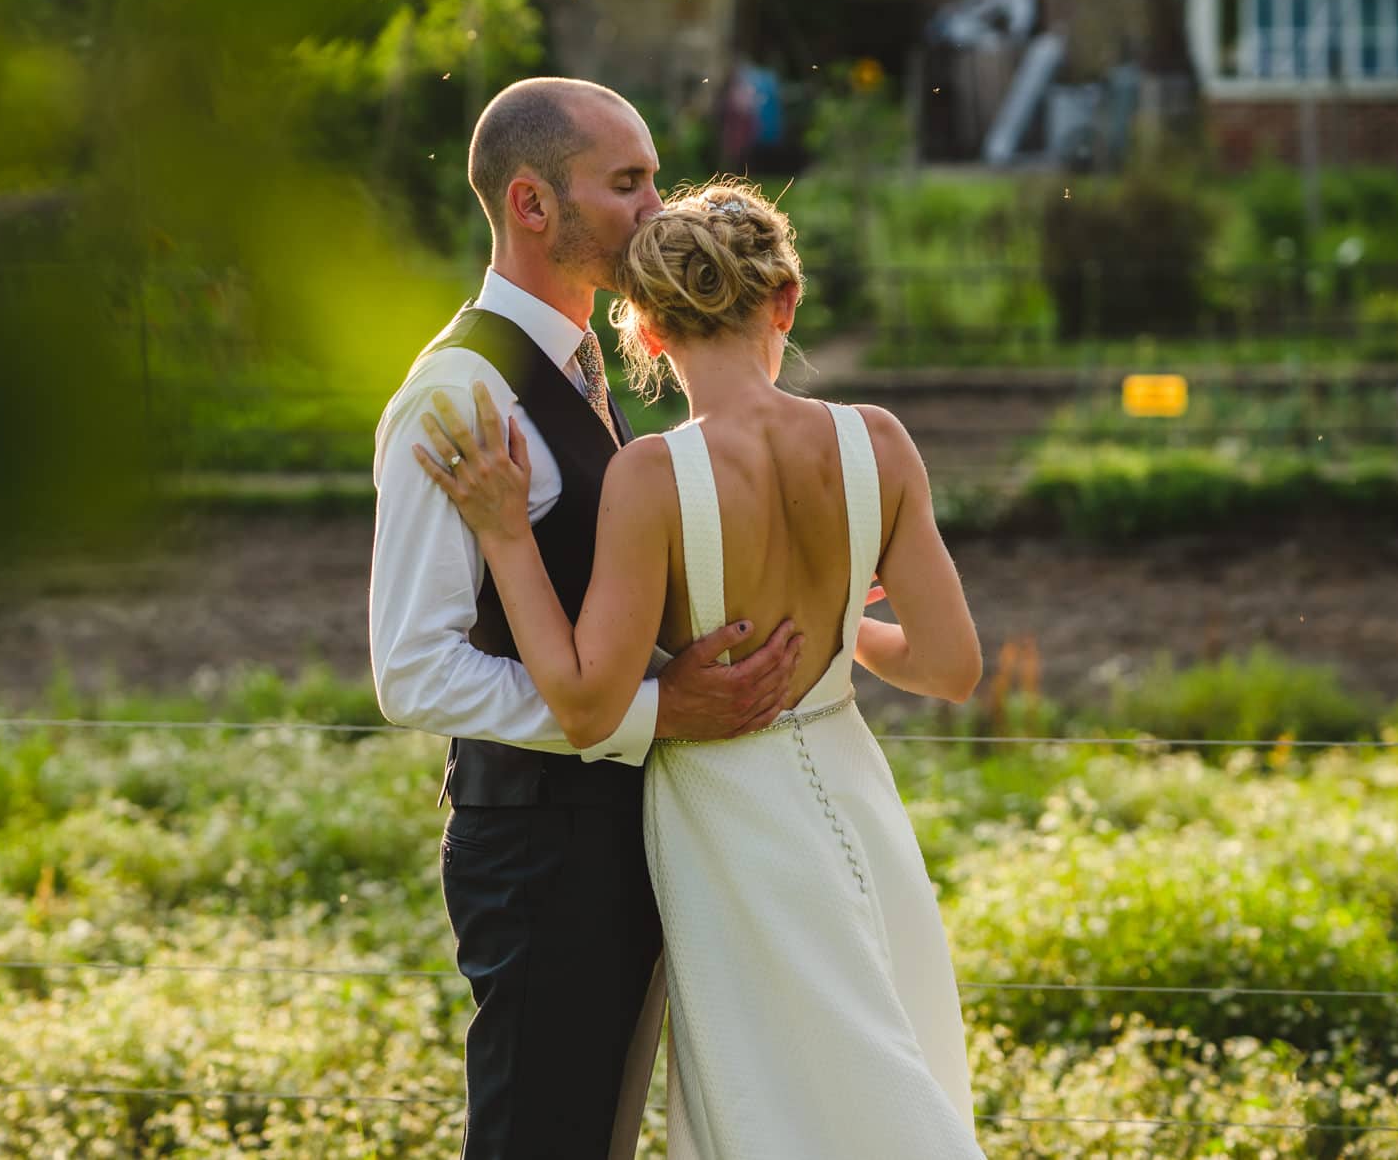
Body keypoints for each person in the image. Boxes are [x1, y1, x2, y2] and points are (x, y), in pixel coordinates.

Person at [411, 177, 989, 1158]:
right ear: (784, 302)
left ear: (641, 331)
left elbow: (590, 705)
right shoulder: (876, 442)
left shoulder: (653, 475)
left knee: (772, 1106)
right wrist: (842, 626)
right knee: (883, 1075)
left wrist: (507, 538)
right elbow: (949, 666)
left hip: (731, 814)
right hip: (855, 797)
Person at [368, 77, 808, 1160]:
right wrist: (653, 707)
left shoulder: (577, 361)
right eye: (626, 183)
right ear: (531, 204)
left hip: (602, 835)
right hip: (535, 849)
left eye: (653, 177)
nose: (658, 209)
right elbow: (413, 671)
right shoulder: (460, 394)